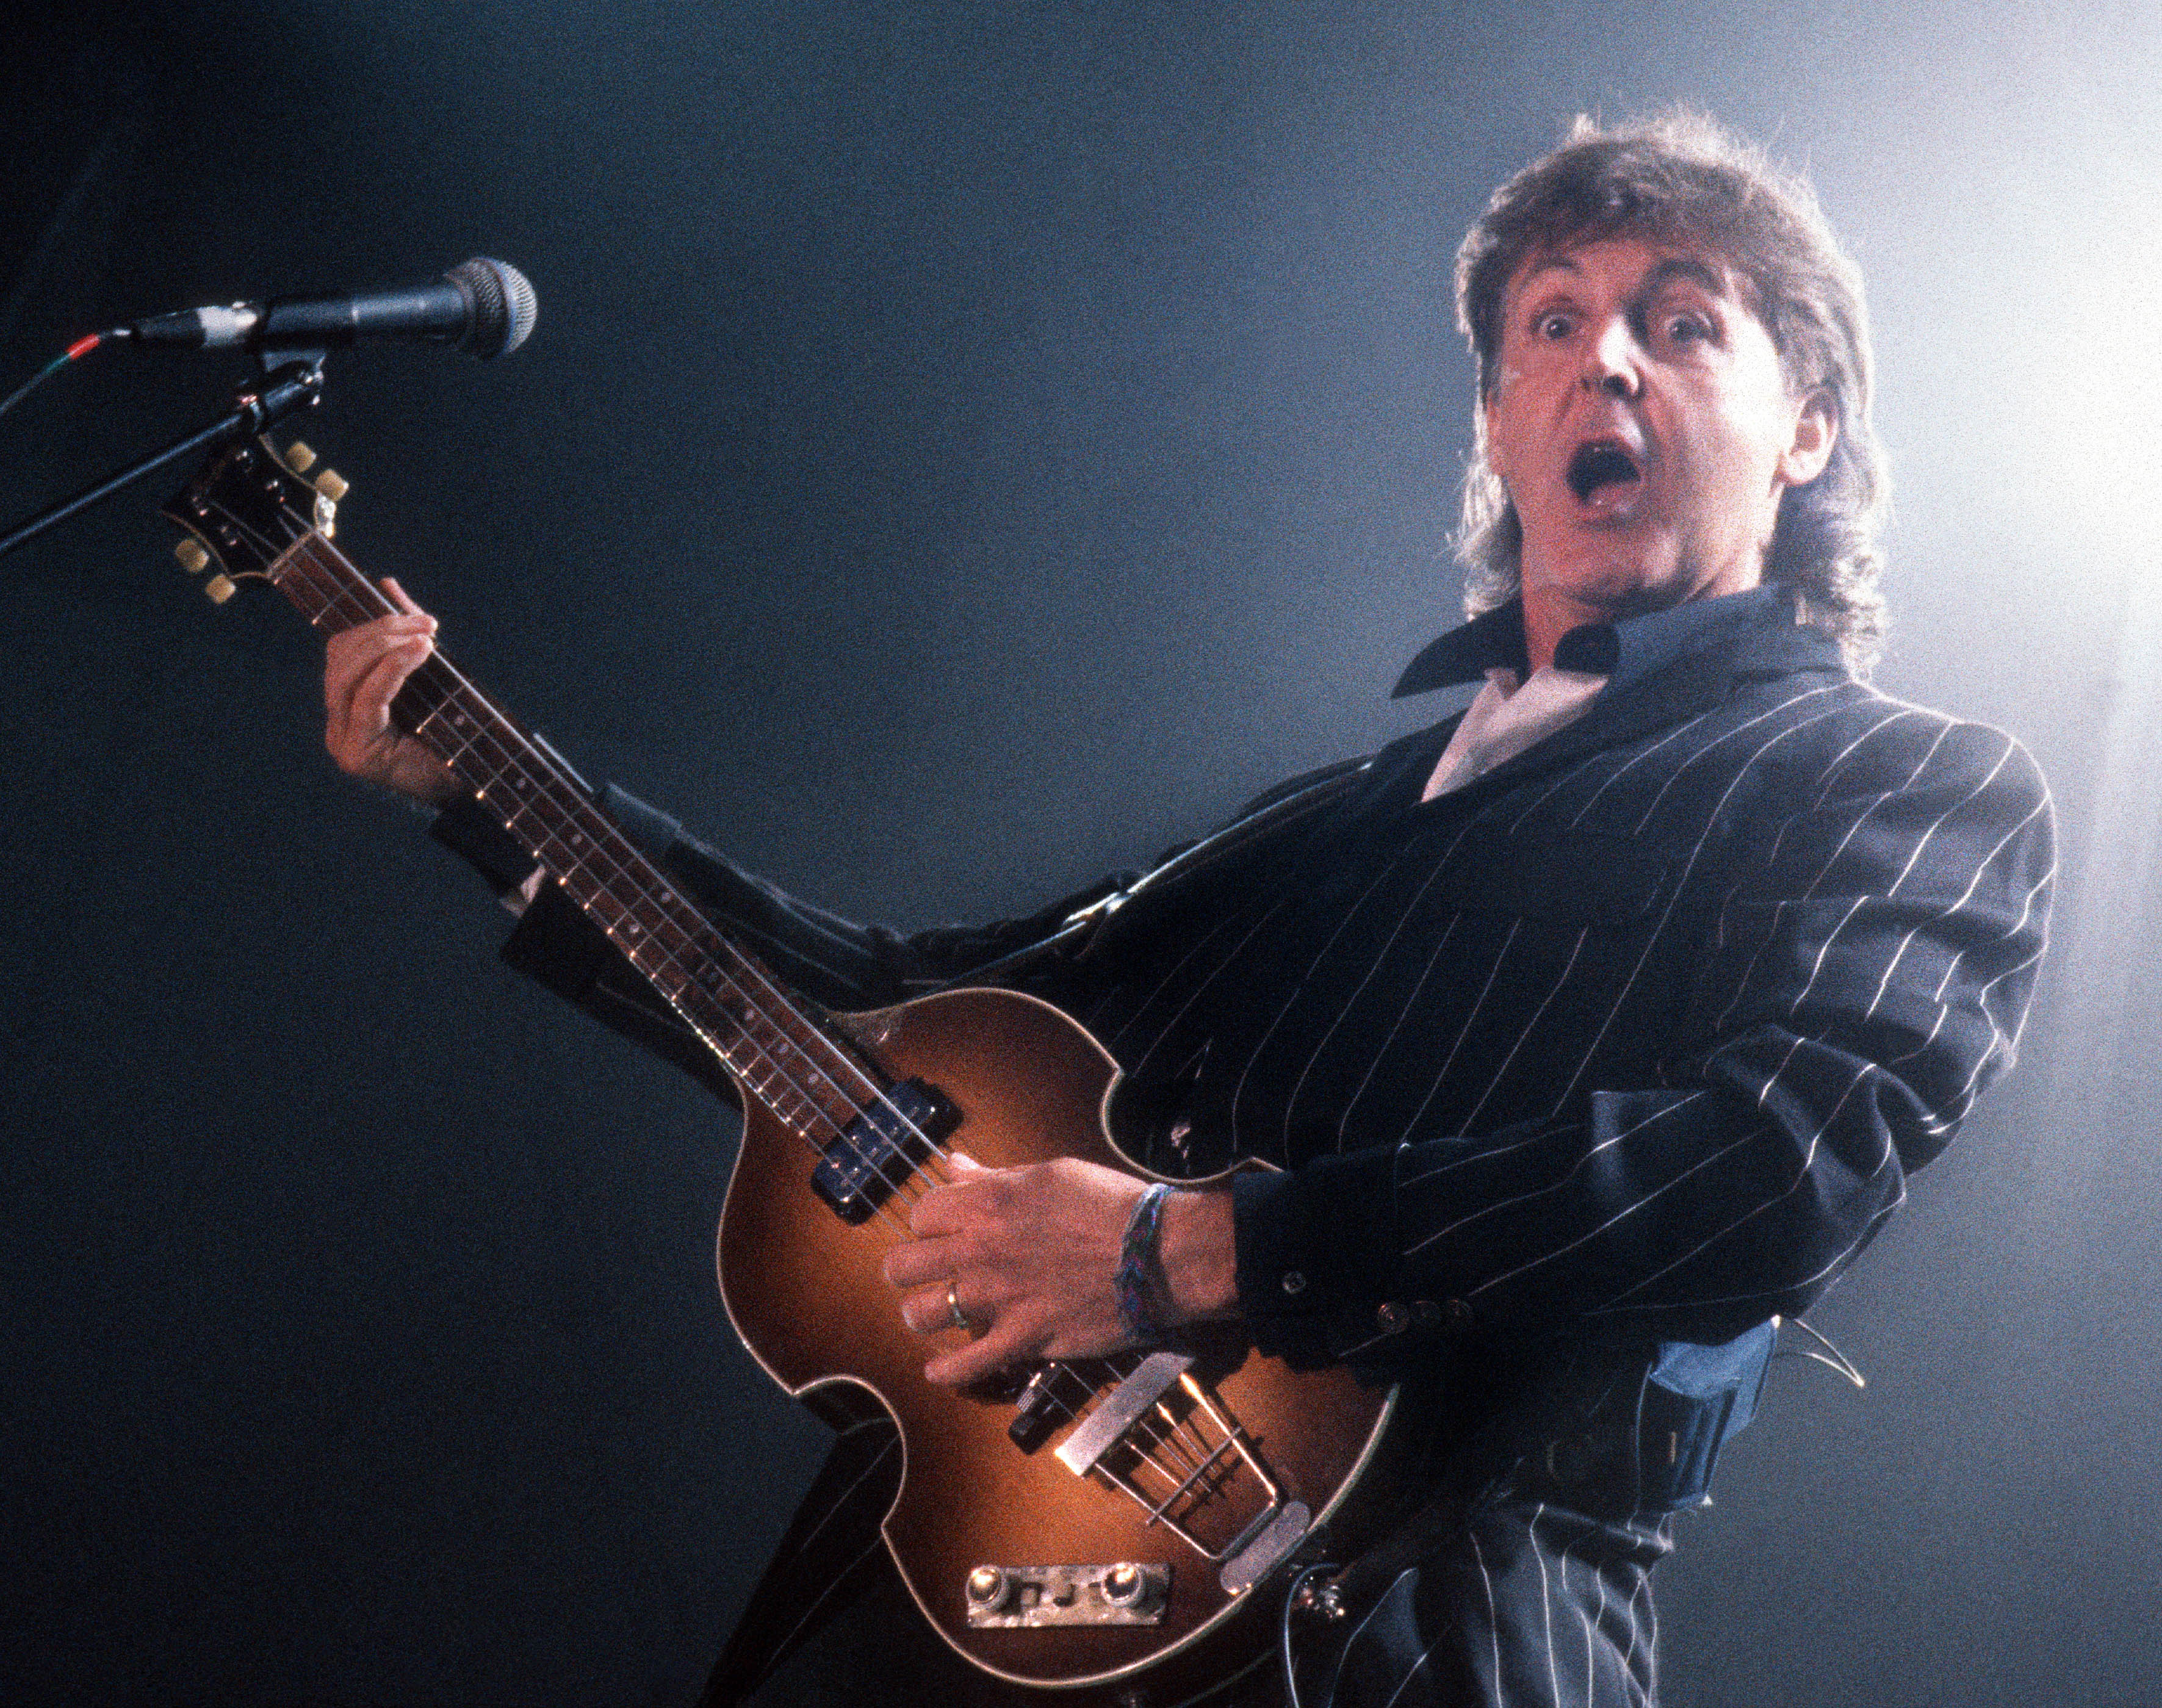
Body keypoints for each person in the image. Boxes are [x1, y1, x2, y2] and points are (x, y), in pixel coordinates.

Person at [322, 113, 2052, 1707]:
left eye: (1683, 325)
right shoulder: (1338, 816)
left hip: (1410, 1621)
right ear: (1497, 420)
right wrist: (493, 786)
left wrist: (1183, 1250)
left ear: (1810, 428)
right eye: (1551, 320)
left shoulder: (1901, 784)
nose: (1604, 355)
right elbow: (900, 1027)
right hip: (972, 1590)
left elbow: (1783, 1161)